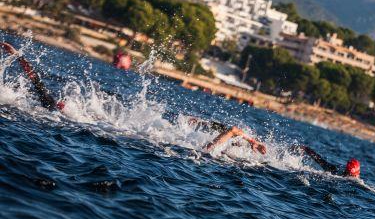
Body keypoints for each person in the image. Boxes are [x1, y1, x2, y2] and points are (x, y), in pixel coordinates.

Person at [0, 41, 266, 155]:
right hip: (122, 130)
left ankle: (241, 141)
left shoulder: (59, 112)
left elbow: (36, 82)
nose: (62, 102)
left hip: (122, 130)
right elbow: (36, 83)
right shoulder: (64, 113)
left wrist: (17, 56)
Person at [292, 144, 361, 178]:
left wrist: (306, 148)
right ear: (357, 173)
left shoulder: (335, 170)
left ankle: (305, 148)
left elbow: (320, 159)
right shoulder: (355, 182)